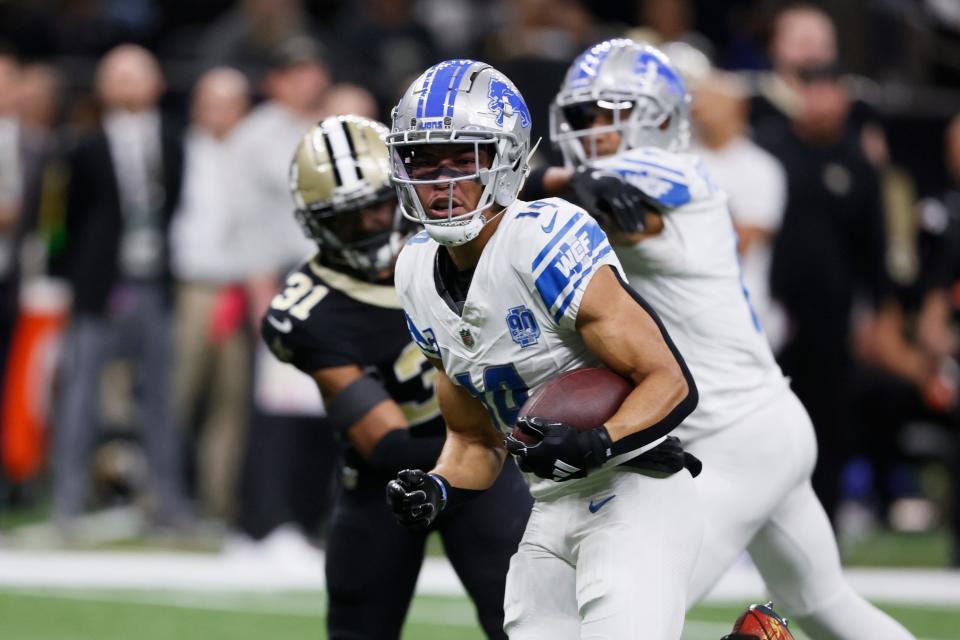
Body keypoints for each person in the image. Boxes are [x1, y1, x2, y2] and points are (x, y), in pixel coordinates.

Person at [541, 38, 913, 639]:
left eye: (615, 114)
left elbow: (601, 190)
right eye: (587, 116)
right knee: (824, 606)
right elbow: (579, 195)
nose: (597, 130)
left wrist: (539, 179)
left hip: (733, 436)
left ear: (660, 119)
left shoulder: (680, 173)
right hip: (756, 423)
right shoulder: (599, 190)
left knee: (627, 617)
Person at [385, 59, 703, 639]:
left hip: (634, 492)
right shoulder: (412, 272)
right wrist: (437, 486)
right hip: (551, 508)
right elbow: (474, 441)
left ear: (505, 162)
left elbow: (670, 380)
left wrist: (597, 439)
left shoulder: (540, 239)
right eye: (423, 161)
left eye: (463, 159)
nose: (441, 181)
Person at [261, 115, 531, 639]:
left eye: (378, 207)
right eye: (348, 219)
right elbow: (384, 444)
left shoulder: (457, 237)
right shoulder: (308, 310)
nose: (369, 227)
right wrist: (504, 439)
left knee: (526, 624)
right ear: (315, 224)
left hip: (489, 469)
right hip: (391, 483)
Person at [51, 44, 188, 529]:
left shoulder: (174, 140)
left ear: (156, 83)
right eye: (118, 76)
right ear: (103, 87)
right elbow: (63, 219)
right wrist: (66, 276)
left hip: (156, 283)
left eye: (137, 75)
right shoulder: (83, 146)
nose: (128, 85)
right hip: (100, 287)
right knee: (81, 395)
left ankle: (168, 505)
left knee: (161, 399)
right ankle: (66, 502)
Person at [169, 67, 253, 522]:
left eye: (226, 103)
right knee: (177, 395)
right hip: (194, 288)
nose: (216, 112)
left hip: (240, 290)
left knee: (231, 402)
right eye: (208, 102)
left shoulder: (251, 155)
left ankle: (217, 501)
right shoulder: (177, 150)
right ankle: (160, 498)